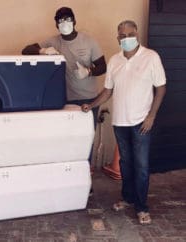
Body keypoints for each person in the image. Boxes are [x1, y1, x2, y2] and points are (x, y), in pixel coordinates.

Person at [81, 20, 166, 225]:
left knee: (142, 166)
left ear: (136, 34)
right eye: (122, 35)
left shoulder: (150, 57)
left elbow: (161, 88)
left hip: (141, 122)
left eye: (129, 34)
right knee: (126, 164)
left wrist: (152, 115)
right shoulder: (114, 61)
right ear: (117, 38)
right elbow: (108, 91)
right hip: (120, 122)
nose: (126, 38)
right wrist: (91, 105)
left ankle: (142, 207)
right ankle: (127, 199)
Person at [22, 6, 106, 129]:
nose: (64, 23)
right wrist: (43, 50)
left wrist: (88, 71)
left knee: (87, 137)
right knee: (68, 137)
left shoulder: (88, 41)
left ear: (74, 21)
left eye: (67, 19)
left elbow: (103, 67)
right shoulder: (53, 42)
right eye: (60, 21)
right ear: (56, 25)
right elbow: (26, 50)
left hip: (88, 99)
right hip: (64, 99)